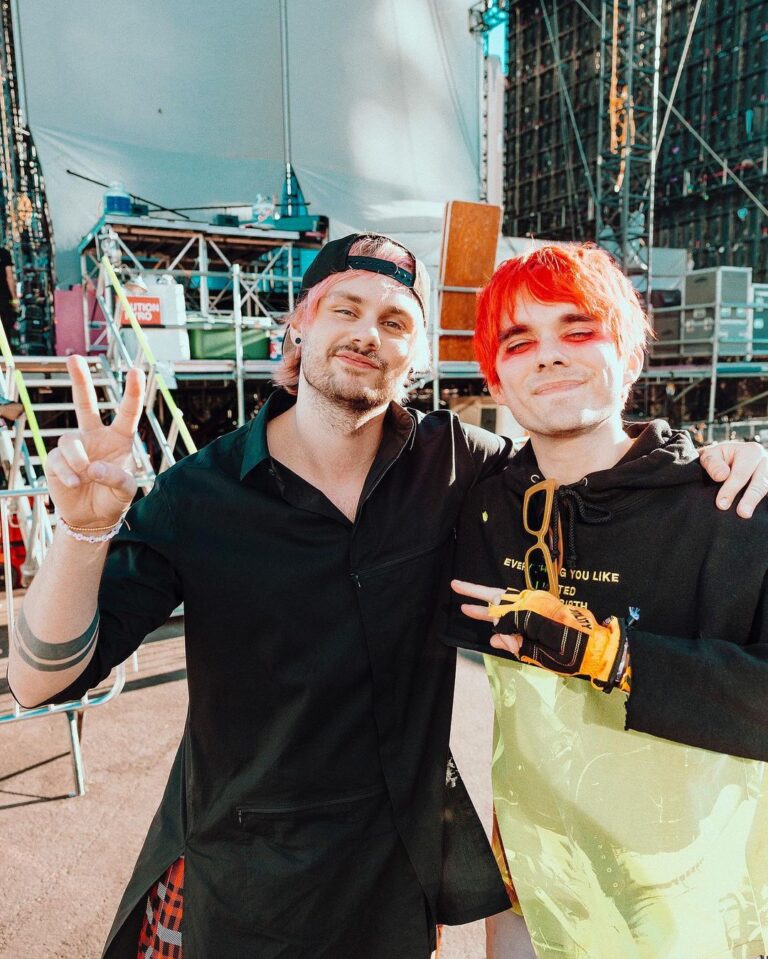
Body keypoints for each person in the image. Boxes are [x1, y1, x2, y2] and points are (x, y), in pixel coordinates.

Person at [6, 235, 767, 959]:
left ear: (417, 353)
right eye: (347, 308)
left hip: (396, 887)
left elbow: (591, 472)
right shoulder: (198, 495)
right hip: (243, 885)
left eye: (395, 319)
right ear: (300, 320)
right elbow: (40, 679)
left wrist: (716, 461)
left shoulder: (460, 467)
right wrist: (83, 531)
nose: (368, 332)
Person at [444, 243, 768, 959]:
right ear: (496, 377)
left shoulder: (734, 506)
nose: (549, 355)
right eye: (519, 340)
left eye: (577, 329)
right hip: (536, 894)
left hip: (692, 916)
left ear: (627, 348)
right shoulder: (486, 510)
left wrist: (614, 657)